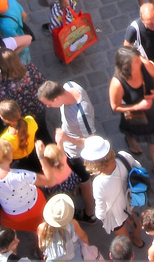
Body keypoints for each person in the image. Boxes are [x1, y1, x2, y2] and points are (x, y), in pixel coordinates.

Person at [40, 79, 99, 215]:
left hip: (77, 154)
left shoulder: (81, 116)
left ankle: (90, 214)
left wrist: (66, 138)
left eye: (48, 104)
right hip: (69, 146)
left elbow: (91, 142)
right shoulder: (69, 85)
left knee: (85, 182)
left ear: (56, 98)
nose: (48, 107)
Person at [0, 136, 58, 234]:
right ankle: (38, 248)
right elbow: (51, 182)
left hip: (12, 214)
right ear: (10, 157)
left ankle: (12, 249)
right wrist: (41, 156)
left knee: (11, 237)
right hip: (35, 207)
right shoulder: (21, 175)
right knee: (40, 231)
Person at [110, 44, 154, 161]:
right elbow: (115, 106)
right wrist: (137, 107)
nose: (140, 60)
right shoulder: (117, 83)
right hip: (133, 115)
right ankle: (130, 139)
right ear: (126, 67)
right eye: (136, 61)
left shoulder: (144, 64)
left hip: (152, 113)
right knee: (131, 131)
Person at [86, 136, 144, 243]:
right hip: (130, 200)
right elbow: (138, 166)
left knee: (122, 237)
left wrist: (101, 216)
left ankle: (128, 251)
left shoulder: (99, 183)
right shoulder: (123, 156)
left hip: (115, 214)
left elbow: (100, 213)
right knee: (133, 220)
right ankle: (139, 241)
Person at [38, 192, 94, 262]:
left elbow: (41, 246)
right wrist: (87, 245)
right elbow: (83, 236)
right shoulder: (73, 223)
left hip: (53, 258)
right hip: (73, 255)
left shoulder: (42, 228)